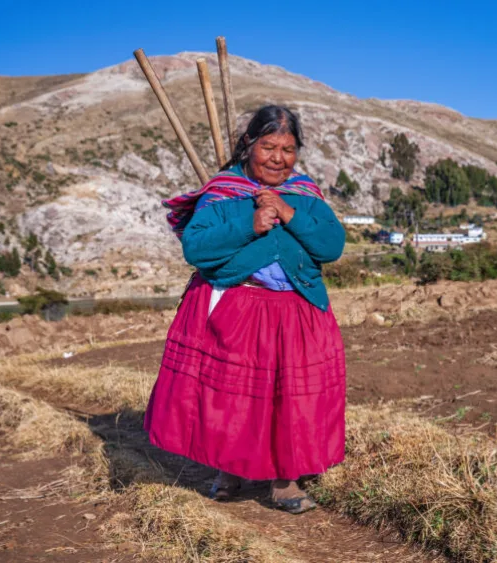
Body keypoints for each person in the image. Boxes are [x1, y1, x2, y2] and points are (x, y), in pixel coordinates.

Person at [144, 105, 346, 514]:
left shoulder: (304, 195)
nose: (278, 158)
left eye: (288, 149)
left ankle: (285, 481)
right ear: (247, 145)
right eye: (268, 146)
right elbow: (196, 248)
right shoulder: (223, 191)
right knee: (233, 398)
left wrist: (287, 213)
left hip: (295, 309)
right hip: (237, 304)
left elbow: (331, 245)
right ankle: (230, 470)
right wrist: (251, 223)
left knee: (288, 398)